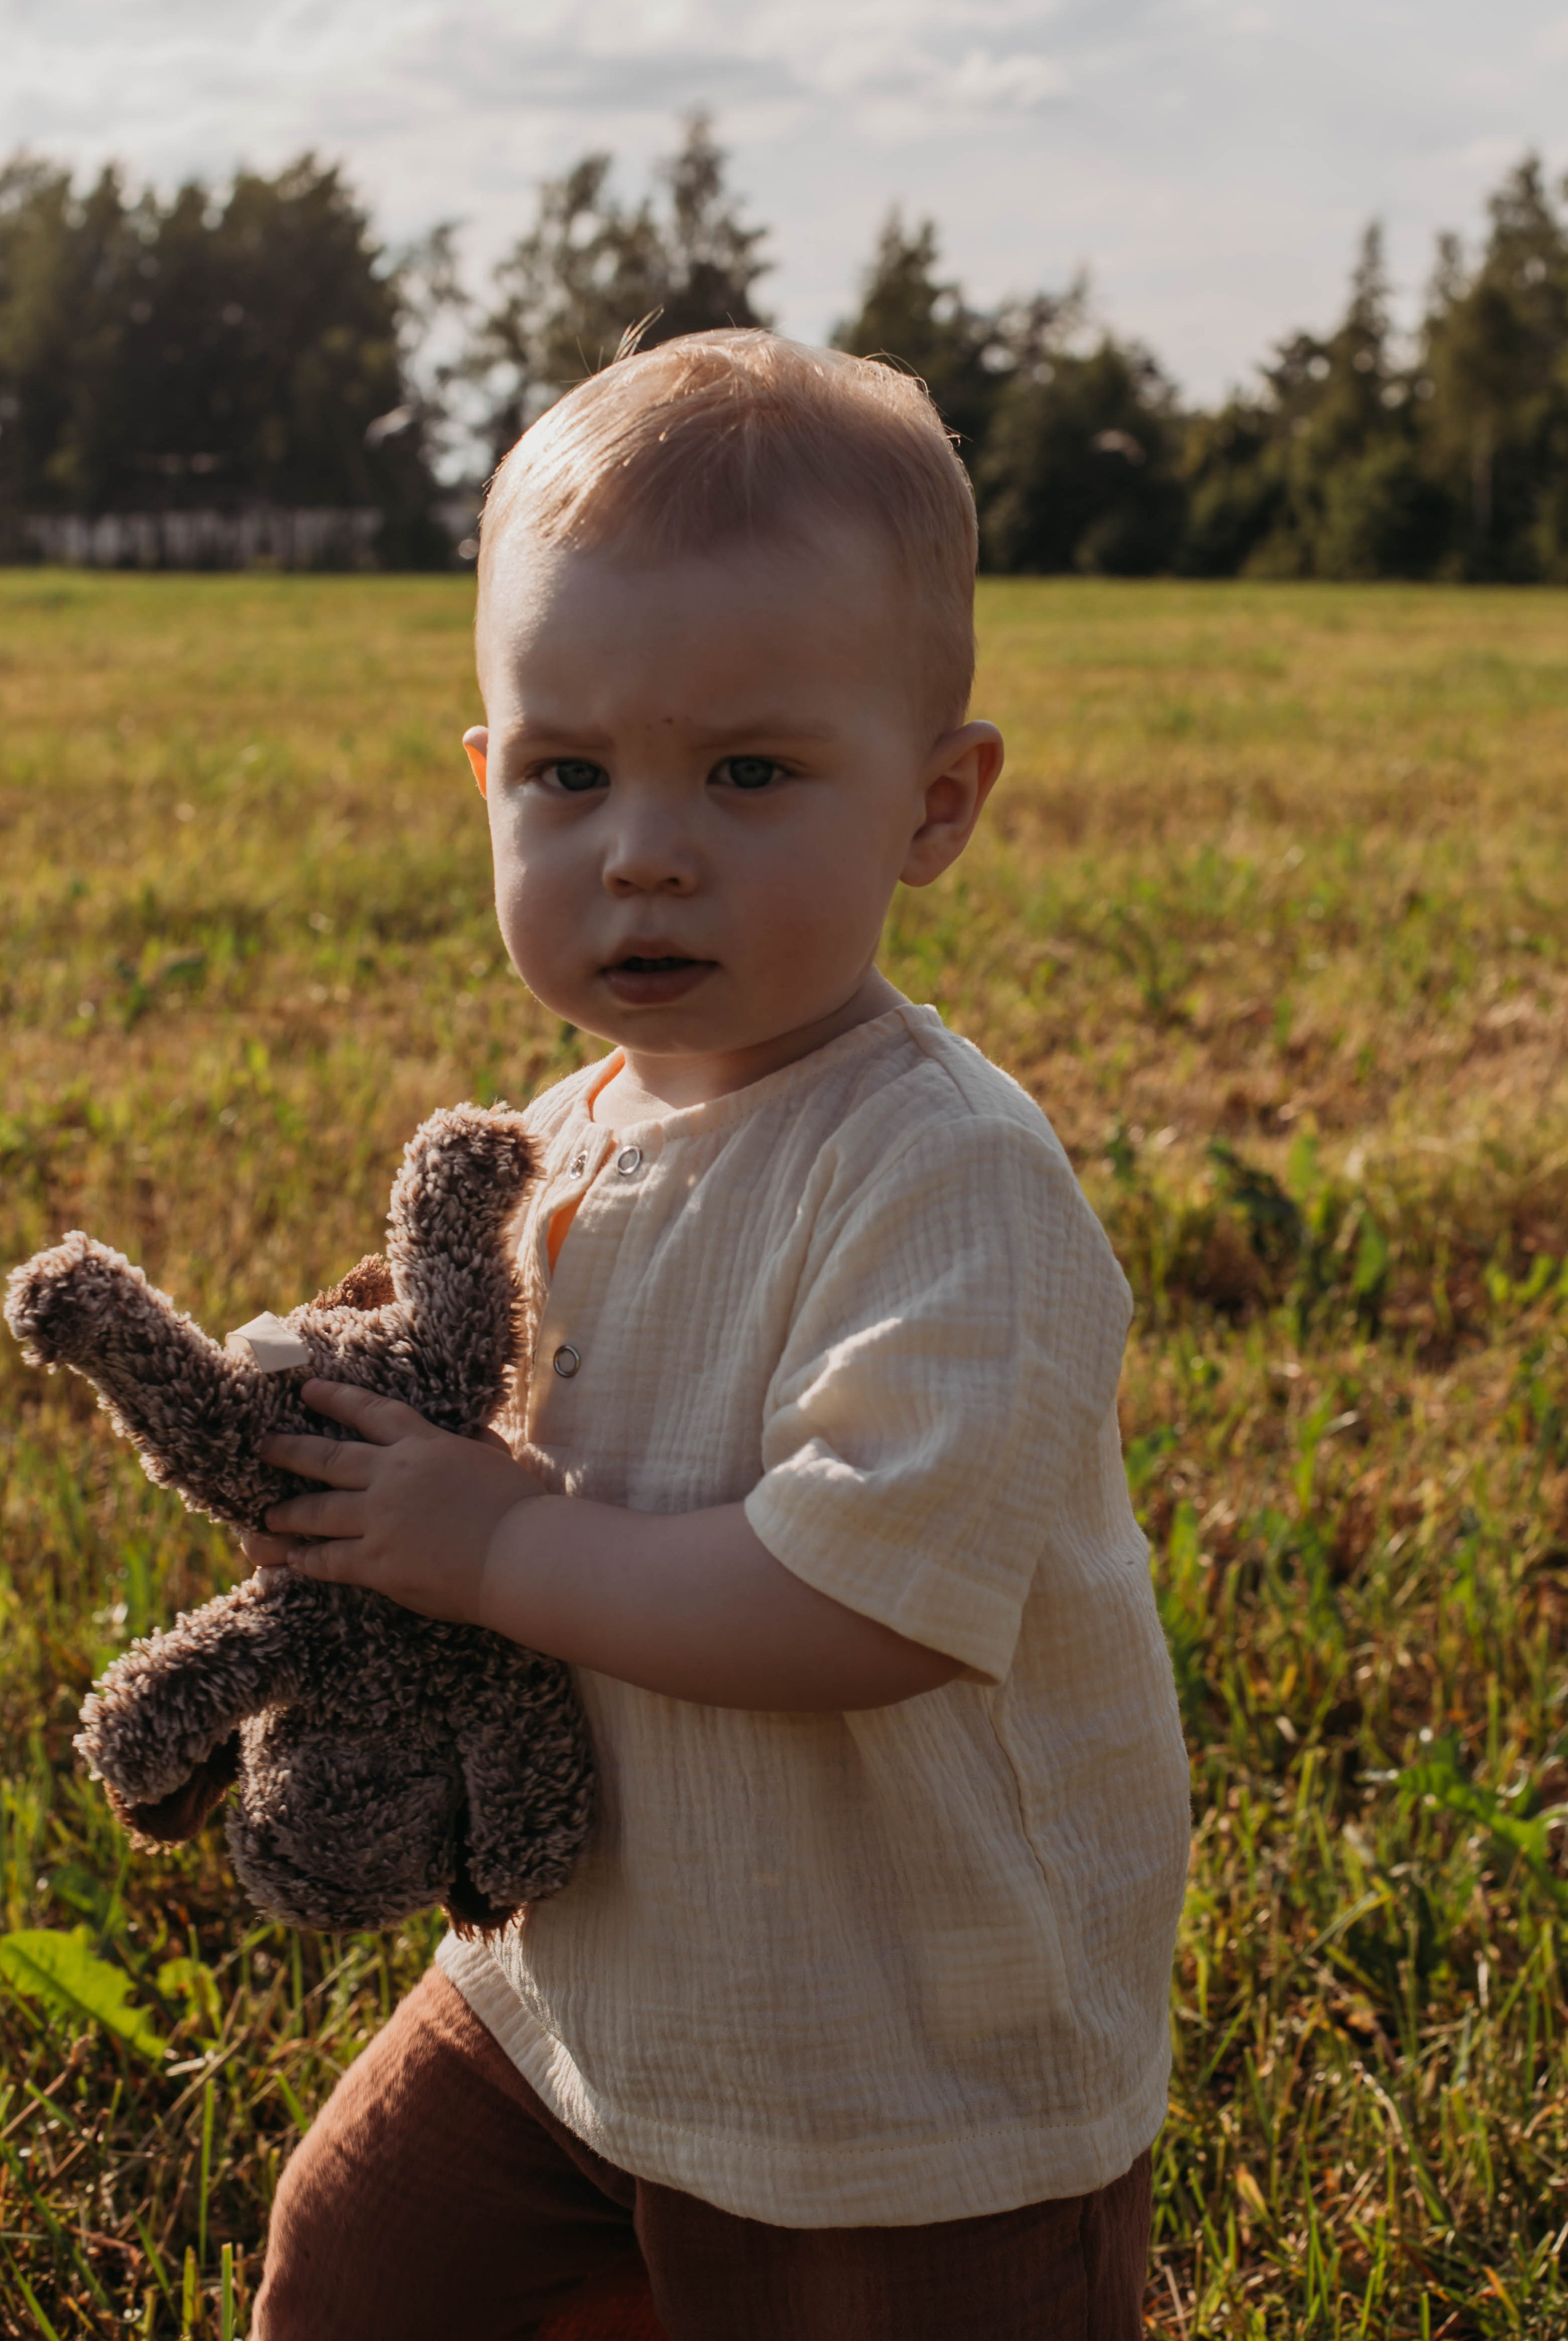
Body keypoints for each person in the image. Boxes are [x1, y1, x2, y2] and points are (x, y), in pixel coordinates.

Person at [245, 330, 1191, 2340]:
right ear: (489, 781)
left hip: (894, 2059)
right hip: (579, 1977)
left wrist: (490, 1545)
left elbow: (869, 1600)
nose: (646, 848)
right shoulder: (575, 1123)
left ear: (937, 806)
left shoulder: (943, 1175)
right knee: (357, 2268)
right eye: (572, 773)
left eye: (750, 771)